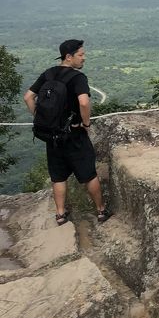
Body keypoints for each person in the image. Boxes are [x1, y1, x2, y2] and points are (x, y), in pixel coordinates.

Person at [23, 39, 111, 226]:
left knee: (58, 176)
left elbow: (28, 96)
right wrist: (86, 123)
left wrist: (41, 119)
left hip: (51, 135)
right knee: (89, 174)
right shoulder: (78, 78)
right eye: (81, 55)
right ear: (69, 57)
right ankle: (101, 210)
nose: (84, 58)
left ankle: (61, 214)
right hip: (74, 134)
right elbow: (84, 102)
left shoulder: (48, 74)